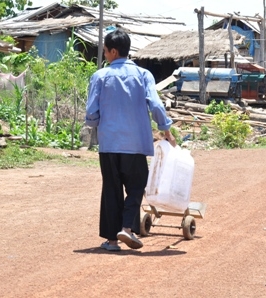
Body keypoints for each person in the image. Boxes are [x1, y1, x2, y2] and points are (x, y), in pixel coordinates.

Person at [85, 29, 176, 251]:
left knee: (111, 189)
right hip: (135, 145)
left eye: (105, 51)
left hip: (108, 146)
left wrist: (99, 123)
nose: (105, 55)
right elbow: (155, 105)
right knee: (136, 187)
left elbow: (91, 114)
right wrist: (166, 130)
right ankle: (126, 228)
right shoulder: (144, 75)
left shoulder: (100, 77)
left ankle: (112, 241)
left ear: (113, 51)